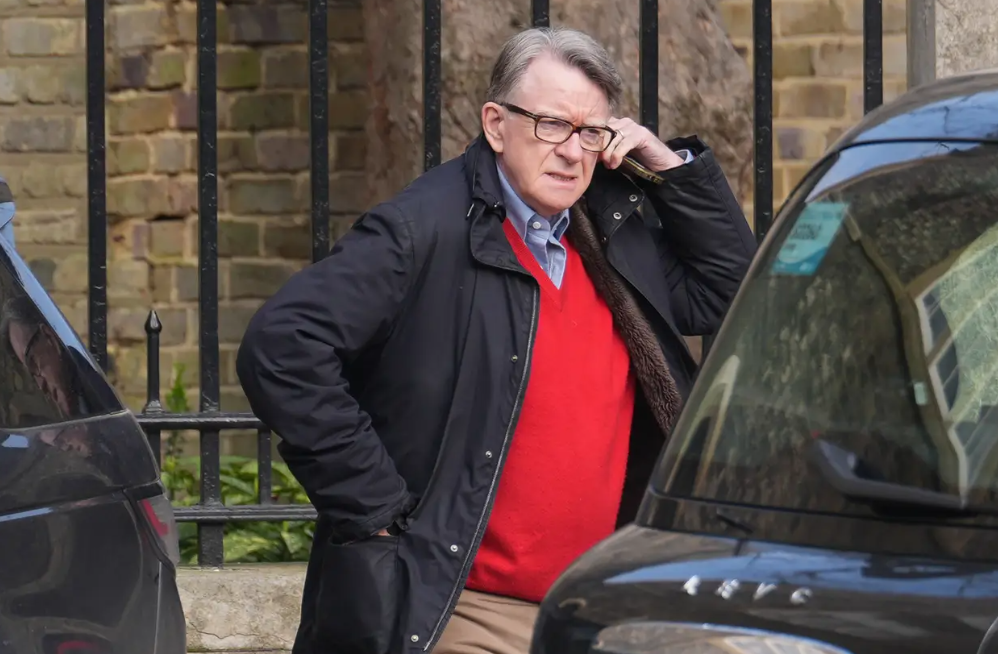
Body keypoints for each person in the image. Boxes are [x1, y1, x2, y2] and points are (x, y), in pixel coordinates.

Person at [236, 26, 756, 654]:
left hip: (592, 607)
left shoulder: (612, 234)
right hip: (459, 608)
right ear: (496, 123)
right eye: (551, 124)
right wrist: (374, 508)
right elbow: (282, 346)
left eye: (591, 132)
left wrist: (667, 167)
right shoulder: (421, 230)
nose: (571, 152)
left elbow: (731, 292)